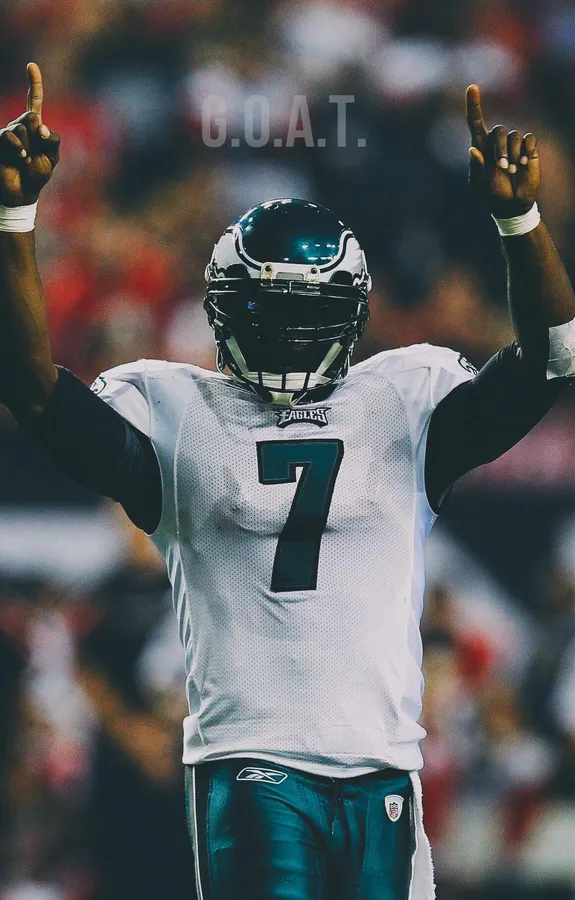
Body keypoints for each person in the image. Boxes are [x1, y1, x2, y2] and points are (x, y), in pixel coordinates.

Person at [1, 62, 574, 900]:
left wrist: (520, 219)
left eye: (307, 317)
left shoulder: (400, 402)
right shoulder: (178, 414)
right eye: (270, 315)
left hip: (384, 767)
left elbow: (553, 357)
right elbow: (30, 390)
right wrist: (13, 217)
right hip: (251, 763)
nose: (289, 339)